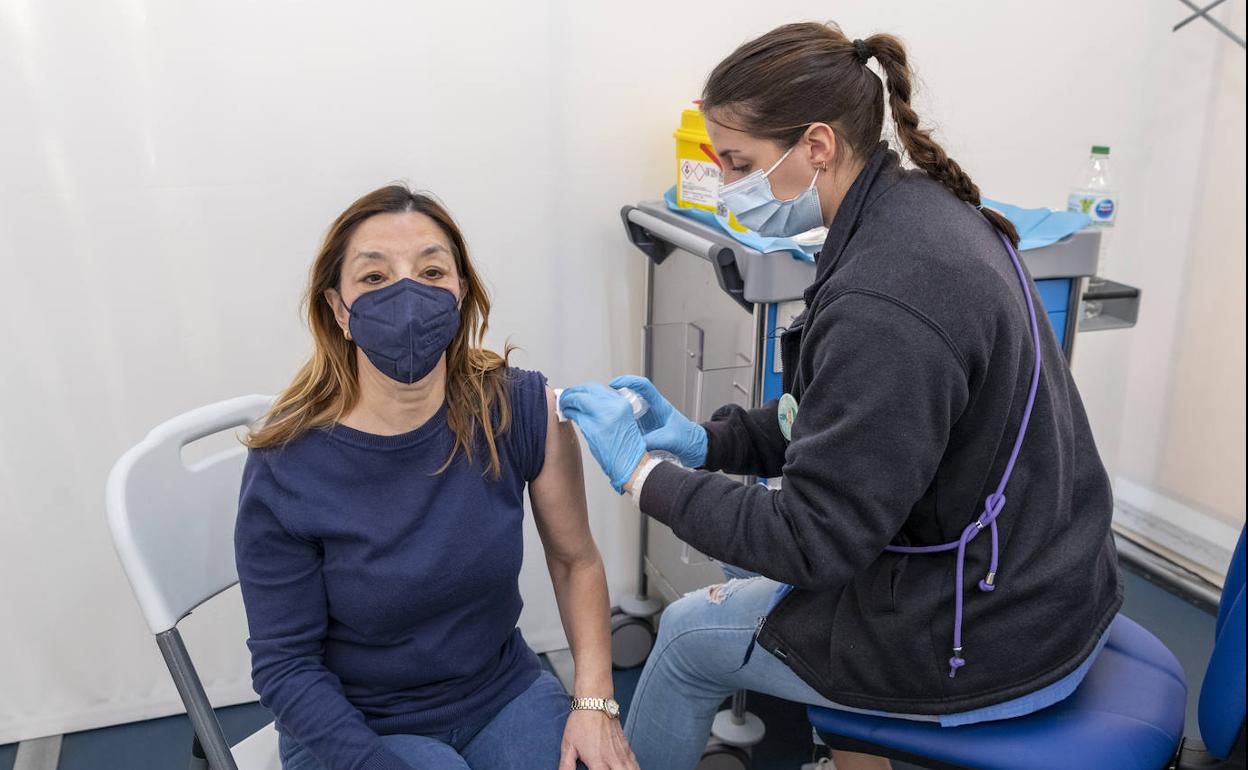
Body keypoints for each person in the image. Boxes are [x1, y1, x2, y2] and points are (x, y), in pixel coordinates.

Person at [559, 22, 1120, 770]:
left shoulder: (886, 296)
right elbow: (829, 422)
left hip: (992, 627)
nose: (728, 188)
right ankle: (856, 755)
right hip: (1034, 570)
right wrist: (704, 442)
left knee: (690, 637)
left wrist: (642, 476)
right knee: (739, 568)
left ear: (816, 146)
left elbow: (810, 538)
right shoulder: (906, 214)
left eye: (739, 164)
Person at [235, 185, 638, 770]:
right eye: (374, 278)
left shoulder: (518, 408)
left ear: (461, 294)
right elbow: (285, 664)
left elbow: (576, 562)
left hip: (500, 693)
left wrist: (595, 703)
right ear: (338, 311)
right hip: (355, 725)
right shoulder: (288, 464)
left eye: (431, 271)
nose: (406, 294)